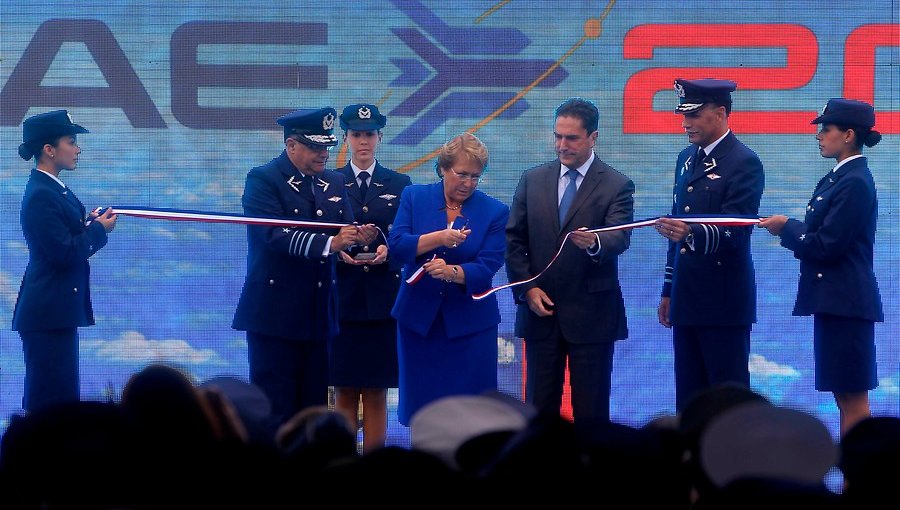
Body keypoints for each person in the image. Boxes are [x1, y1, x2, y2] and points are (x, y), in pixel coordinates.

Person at [232, 107, 377, 428]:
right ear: (291, 145)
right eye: (314, 147)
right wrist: (331, 244)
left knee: (312, 411)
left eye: (326, 146)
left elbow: (344, 229)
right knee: (274, 407)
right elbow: (273, 235)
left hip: (317, 314)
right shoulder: (264, 179)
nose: (323, 154)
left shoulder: (334, 181)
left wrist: (358, 238)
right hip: (275, 315)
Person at [759, 98, 883, 436]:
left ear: (848, 135)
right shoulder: (839, 178)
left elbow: (827, 245)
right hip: (835, 303)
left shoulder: (854, 181)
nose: (819, 135)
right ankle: (851, 474)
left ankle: (860, 473)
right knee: (843, 395)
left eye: (825, 129)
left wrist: (786, 226)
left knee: (853, 397)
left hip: (846, 304)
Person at [506, 97, 634, 423]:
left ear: (593, 138)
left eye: (572, 138)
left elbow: (619, 237)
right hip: (540, 313)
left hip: (592, 317)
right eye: (558, 136)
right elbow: (514, 240)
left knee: (591, 414)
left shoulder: (617, 185)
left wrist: (595, 242)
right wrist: (527, 290)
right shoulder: (532, 180)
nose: (562, 145)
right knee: (537, 415)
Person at [655, 79, 764, 411]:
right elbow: (678, 229)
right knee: (689, 400)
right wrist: (669, 289)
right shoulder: (686, 159)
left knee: (727, 402)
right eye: (684, 115)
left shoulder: (743, 161)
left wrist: (689, 232)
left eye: (695, 115)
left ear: (719, 113)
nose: (686, 123)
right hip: (687, 299)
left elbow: (737, 230)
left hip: (723, 302)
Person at [388, 133, 509, 426]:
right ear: (443, 168)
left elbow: (488, 265)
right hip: (419, 324)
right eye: (462, 174)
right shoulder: (414, 197)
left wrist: (454, 273)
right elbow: (398, 247)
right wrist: (438, 238)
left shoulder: (495, 211)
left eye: (476, 176)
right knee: (423, 412)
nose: (468, 183)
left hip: (470, 326)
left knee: (472, 416)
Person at [11, 110, 117, 413]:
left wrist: (88, 225)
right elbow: (64, 254)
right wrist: (97, 231)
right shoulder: (42, 194)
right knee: (50, 402)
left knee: (61, 397)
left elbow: (64, 239)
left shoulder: (54, 189)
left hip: (56, 312)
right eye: (71, 142)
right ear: (49, 150)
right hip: (47, 314)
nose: (77, 149)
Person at [331, 103, 411, 452]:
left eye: (369, 135)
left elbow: (406, 235)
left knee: (377, 388)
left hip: (381, 298)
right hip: (343, 297)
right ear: (346, 138)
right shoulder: (329, 181)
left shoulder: (399, 182)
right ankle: (342, 461)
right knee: (343, 386)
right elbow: (323, 233)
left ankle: (376, 465)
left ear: (380, 137)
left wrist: (388, 252)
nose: (363, 142)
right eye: (356, 135)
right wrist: (338, 249)